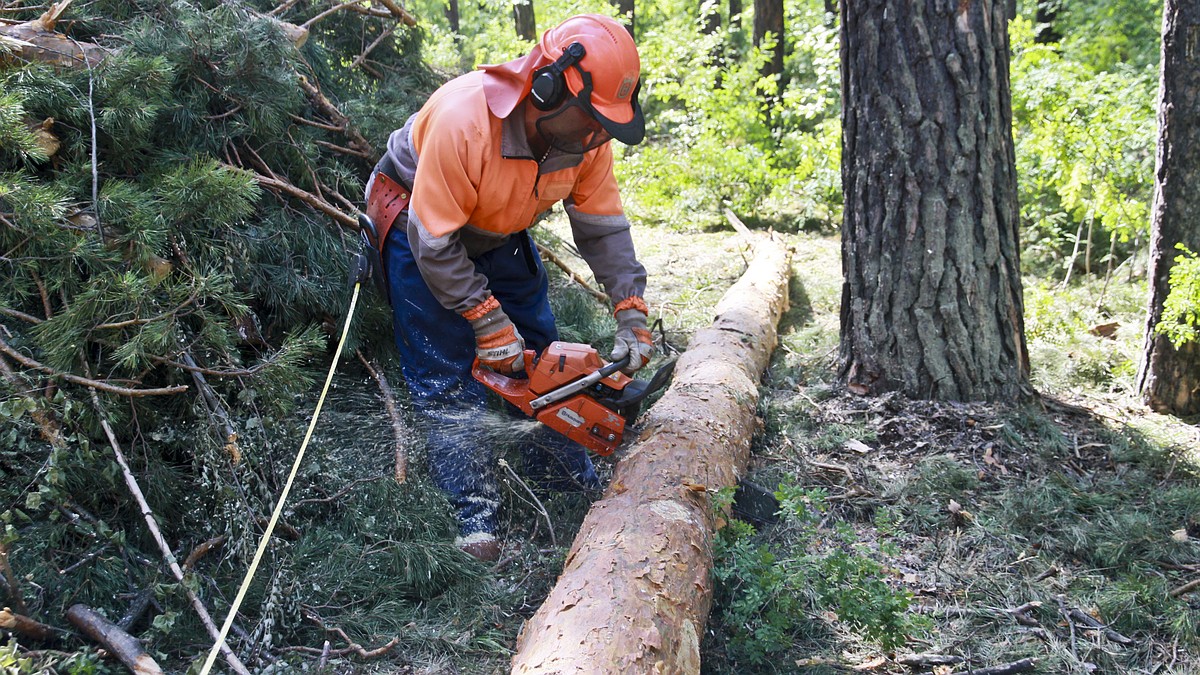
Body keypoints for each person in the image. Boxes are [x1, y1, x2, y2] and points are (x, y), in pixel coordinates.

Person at [363, 13, 656, 562]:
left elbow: (603, 226)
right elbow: (434, 241)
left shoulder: (589, 139)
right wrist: (483, 316)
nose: (596, 134)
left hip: (500, 228)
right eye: (588, 119)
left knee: (544, 354)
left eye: (604, 123)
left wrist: (630, 309)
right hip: (419, 225)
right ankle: (473, 514)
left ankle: (562, 476)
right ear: (546, 89)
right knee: (447, 373)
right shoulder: (464, 120)